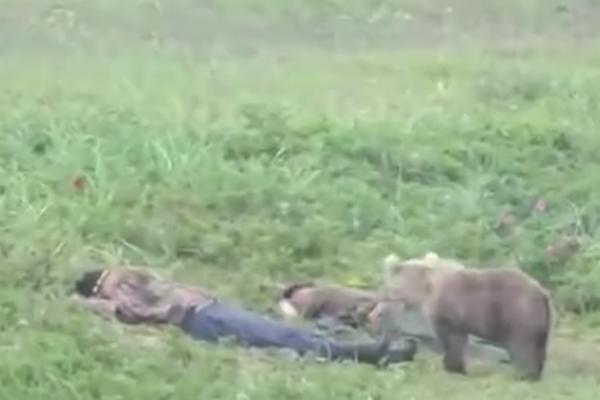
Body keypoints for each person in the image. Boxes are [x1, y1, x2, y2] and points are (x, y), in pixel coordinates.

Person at [72, 266, 418, 367]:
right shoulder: (120, 292)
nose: (119, 274)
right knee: (283, 337)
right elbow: (125, 310)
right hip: (201, 318)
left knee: (282, 334)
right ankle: (369, 353)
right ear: (102, 287)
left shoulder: (134, 283)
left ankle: (372, 351)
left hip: (209, 311)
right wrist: (87, 302)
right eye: (109, 277)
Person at [278, 281, 511, 364]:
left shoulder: (312, 296)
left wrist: (284, 307)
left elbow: (294, 316)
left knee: (439, 341)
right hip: (394, 308)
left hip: (386, 315)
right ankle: (506, 349)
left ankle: (504, 356)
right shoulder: (335, 291)